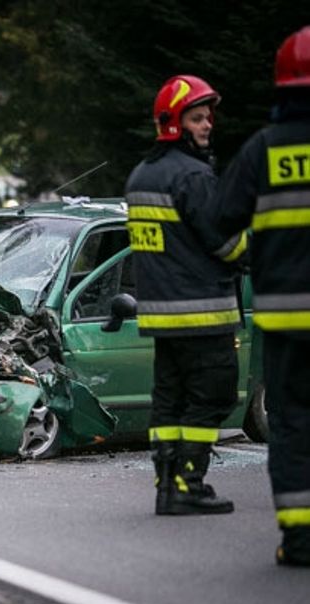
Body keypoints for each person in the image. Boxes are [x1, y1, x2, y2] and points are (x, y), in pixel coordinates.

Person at [205, 27, 310, 566]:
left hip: (287, 316)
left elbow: (219, 223)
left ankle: (299, 538)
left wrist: (251, 256)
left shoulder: (263, 150)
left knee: (292, 423)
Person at [124, 74, 249, 516]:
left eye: (208, 117)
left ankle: (167, 485)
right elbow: (228, 244)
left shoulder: (142, 175)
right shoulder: (193, 176)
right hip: (203, 313)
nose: (208, 124)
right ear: (174, 124)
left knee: (171, 401)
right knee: (213, 396)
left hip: (162, 318)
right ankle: (188, 482)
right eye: (198, 117)